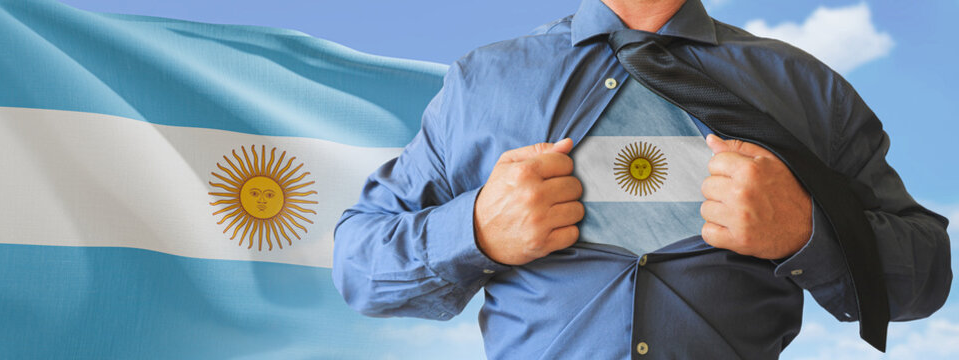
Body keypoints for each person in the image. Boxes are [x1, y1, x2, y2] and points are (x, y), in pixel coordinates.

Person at [332, 0, 952, 358]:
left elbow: (926, 276)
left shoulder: (805, 89)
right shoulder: (482, 84)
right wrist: (475, 232)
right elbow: (358, 265)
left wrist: (808, 232)